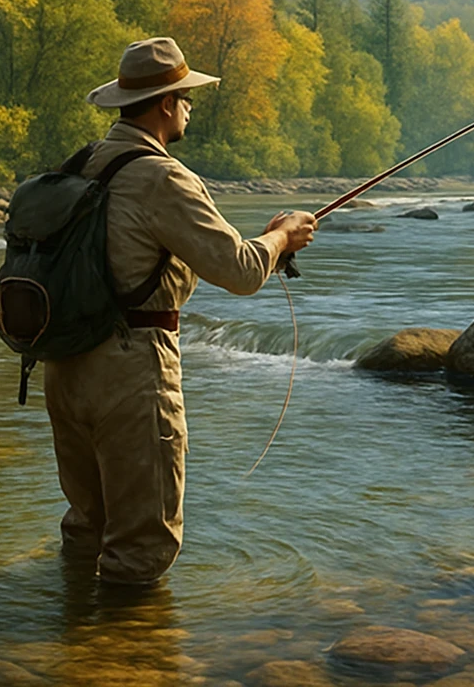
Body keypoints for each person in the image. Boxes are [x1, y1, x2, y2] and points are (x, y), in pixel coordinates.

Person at [43, 36, 317, 585]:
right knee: (142, 548)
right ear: (167, 104)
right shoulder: (163, 176)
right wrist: (282, 238)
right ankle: (128, 660)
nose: (190, 106)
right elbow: (239, 270)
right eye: (187, 96)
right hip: (130, 372)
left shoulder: (84, 164)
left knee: (87, 529)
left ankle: (70, 645)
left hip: (63, 365)